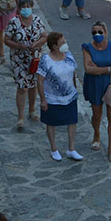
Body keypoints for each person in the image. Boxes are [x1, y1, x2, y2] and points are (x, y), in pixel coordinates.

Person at [36, 31, 83, 161]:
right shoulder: (46, 60)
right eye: (62, 42)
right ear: (55, 46)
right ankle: (54, 149)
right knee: (51, 123)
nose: (65, 44)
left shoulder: (68, 55)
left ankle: (71, 149)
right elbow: (40, 80)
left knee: (72, 121)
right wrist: (43, 100)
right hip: (52, 98)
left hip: (70, 96)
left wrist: (74, 88)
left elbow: (72, 72)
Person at [2, 0, 46, 133]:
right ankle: (20, 116)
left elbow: (45, 36)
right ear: (19, 8)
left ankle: (31, 109)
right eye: (23, 7)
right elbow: (7, 40)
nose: (26, 9)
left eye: (28, 6)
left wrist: (36, 44)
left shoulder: (37, 20)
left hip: (34, 59)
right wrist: (19, 46)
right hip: (18, 60)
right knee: (22, 87)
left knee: (33, 85)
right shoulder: (13, 23)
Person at [82, 20, 111, 162]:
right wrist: (108, 69)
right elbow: (88, 69)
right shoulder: (87, 48)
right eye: (94, 32)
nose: (97, 35)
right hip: (94, 84)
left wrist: (98, 68)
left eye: (100, 32)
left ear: (105, 32)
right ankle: (97, 134)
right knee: (96, 115)